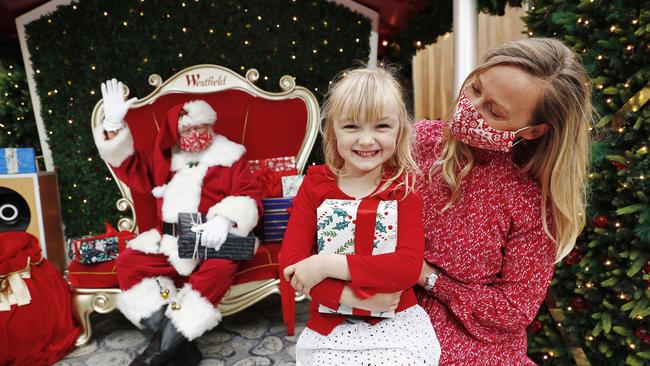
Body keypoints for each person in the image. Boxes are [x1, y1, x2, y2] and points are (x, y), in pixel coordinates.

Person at [414, 37, 593, 364]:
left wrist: (429, 278)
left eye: (494, 111)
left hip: (471, 354)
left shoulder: (532, 201)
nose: (470, 107)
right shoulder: (416, 142)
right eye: (475, 88)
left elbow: (514, 309)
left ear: (534, 131)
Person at [92, 79, 262, 366]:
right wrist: (113, 125)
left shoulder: (231, 156)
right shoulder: (165, 159)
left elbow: (249, 194)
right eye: (189, 129)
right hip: (170, 240)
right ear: (178, 132)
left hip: (213, 239)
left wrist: (224, 219)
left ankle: (155, 354)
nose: (196, 134)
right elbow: (129, 165)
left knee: (220, 268)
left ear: (211, 127)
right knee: (129, 264)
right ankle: (178, 348)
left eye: (201, 128)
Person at [279, 67, 440, 365]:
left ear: (400, 131)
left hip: (395, 323)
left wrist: (325, 264)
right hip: (331, 327)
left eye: (381, 126)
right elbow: (291, 266)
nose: (366, 140)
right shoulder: (315, 186)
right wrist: (353, 299)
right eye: (352, 127)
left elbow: (405, 267)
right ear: (333, 132)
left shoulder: (403, 189)